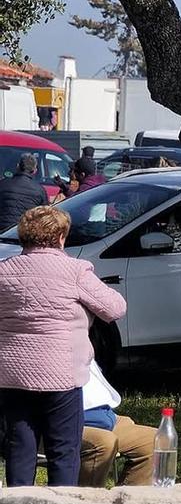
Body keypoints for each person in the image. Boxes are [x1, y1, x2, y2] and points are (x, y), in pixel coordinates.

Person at [0, 206, 126, 487]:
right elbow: (115, 308)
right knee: (63, 452)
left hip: (13, 374)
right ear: (60, 237)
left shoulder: (3, 271)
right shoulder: (75, 271)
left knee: (20, 449)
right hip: (60, 375)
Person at [79, 360, 155, 487]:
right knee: (105, 441)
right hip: (66, 424)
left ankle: (126, 503)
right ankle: (86, 503)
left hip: (105, 418)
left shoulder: (79, 343)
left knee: (155, 440)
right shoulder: (42, 347)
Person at [0, 156, 47, 233]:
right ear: (35, 171)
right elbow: (43, 216)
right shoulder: (39, 190)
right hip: (24, 233)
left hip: (2, 230)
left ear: (18, 166)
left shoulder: (3, 184)